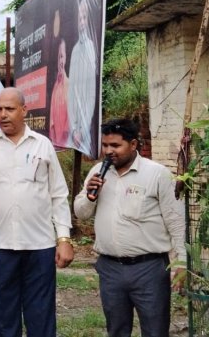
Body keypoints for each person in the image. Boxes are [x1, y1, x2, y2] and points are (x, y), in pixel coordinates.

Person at [0, 87, 74, 337]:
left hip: (40, 246)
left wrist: (64, 239)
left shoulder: (43, 145)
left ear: (24, 111)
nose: (3, 114)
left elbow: (58, 194)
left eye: (10, 109)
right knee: (3, 318)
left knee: (41, 317)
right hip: (0, 246)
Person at [73, 119, 186, 337]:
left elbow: (176, 220)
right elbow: (81, 213)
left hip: (149, 269)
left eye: (115, 146)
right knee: (116, 330)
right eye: (105, 145)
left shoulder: (157, 174)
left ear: (133, 144)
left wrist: (181, 262)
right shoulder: (98, 171)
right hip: (110, 269)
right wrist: (89, 195)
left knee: (155, 330)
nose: (108, 151)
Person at [68, 0, 99, 155]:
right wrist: (74, 130)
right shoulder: (74, 50)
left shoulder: (91, 47)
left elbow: (90, 96)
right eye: (79, 18)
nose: (81, 22)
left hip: (86, 132)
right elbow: (72, 94)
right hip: (73, 132)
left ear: (89, 19)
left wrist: (82, 130)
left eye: (84, 17)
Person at [49, 39, 71, 146]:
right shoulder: (55, 86)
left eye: (61, 56)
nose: (60, 62)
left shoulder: (69, 85)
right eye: (58, 58)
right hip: (56, 143)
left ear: (66, 57)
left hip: (66, 142)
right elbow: (52, 121)